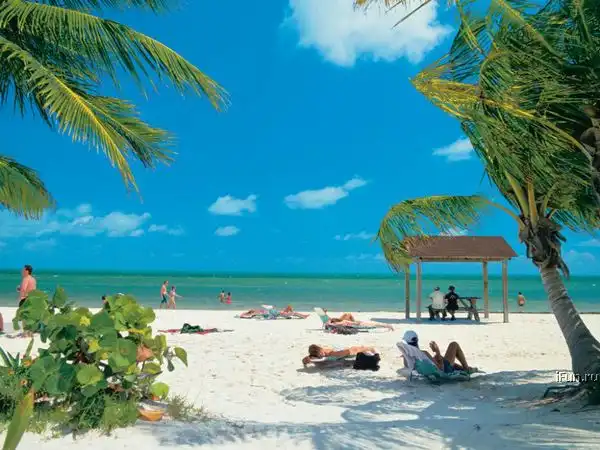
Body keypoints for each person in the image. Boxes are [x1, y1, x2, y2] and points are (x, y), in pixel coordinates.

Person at [400, 330, 475, 374]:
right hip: (445, 370)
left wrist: (437, 357)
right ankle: (466, 368)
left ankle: (462, 368)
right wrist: (437, 351)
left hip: (426, 371)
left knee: (437, 358)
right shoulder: (424, 353)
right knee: (454, 344)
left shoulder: (406, 357)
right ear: (417, 341)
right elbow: (441, 369)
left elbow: (411, 368)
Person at [302, 344, 377, 366]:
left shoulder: (333, 353)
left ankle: (370, 348)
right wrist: (308, 360)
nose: (321, 355)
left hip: (357, 352)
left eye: (321, 353)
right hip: (344, 352)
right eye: (319, 355)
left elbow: (352, 350)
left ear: (321, 349)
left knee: (355, 350)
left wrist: (369, 349)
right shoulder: (316, 355)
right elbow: (304, 360)